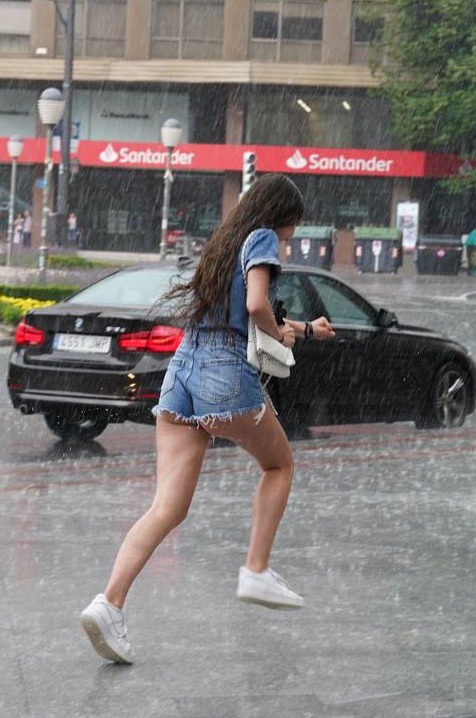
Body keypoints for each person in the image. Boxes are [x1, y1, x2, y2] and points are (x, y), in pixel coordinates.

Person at [79, 173, 335, 664]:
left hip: (183, 372)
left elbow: (237, 311)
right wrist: (279, 329)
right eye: (293, 226)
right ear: (281, 215)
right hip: (222, 371)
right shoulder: (262, 238)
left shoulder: (224, 243)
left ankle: (108, 604)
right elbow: (257, 305)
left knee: (166, 508)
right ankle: (256, 569)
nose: (291, 237)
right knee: (279, 466)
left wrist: (301, 328)